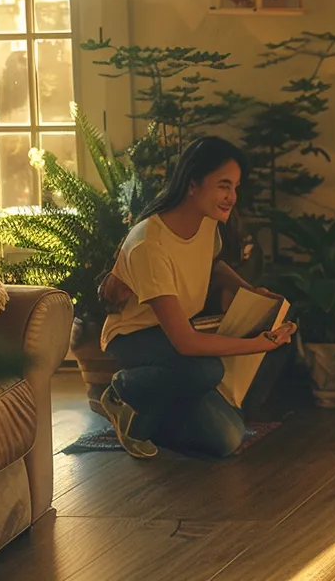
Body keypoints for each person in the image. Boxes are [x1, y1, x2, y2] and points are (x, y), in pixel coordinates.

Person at [97, 136, 298, 460]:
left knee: (228, 438)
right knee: (205, 371)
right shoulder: (150, 244)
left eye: (235, 187)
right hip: (135, 338)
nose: (231, 197)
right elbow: (186, 344)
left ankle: (159, 410)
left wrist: (247, 289)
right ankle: (126, 391)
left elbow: (213, 264)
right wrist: (259, 343)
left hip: (174, 338)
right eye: (223, 185)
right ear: (193, 184)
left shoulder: (205, 222)